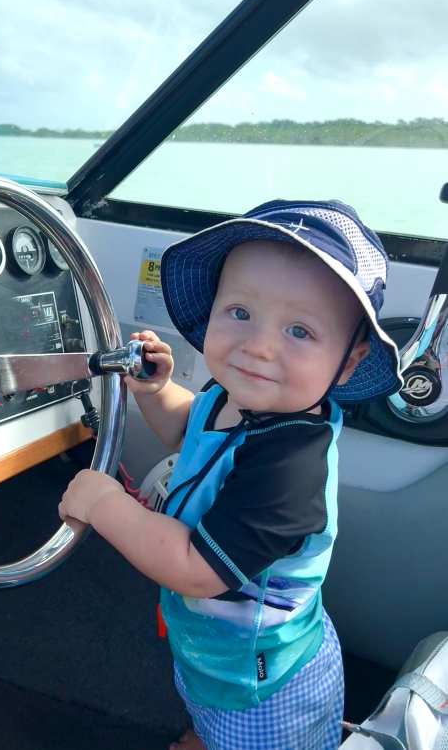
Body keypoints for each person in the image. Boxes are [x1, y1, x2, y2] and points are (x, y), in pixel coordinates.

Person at [58, 199, 402, 750]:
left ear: (351, 359)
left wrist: (104, 503)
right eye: (239, 313)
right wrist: (155, 390)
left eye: (299, 331)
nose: (257, 346)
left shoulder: (291, 469)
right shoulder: (232, 393)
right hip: (213, 650)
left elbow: (196, 569)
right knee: (207, 701)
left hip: (265, 685)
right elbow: (191, 433)